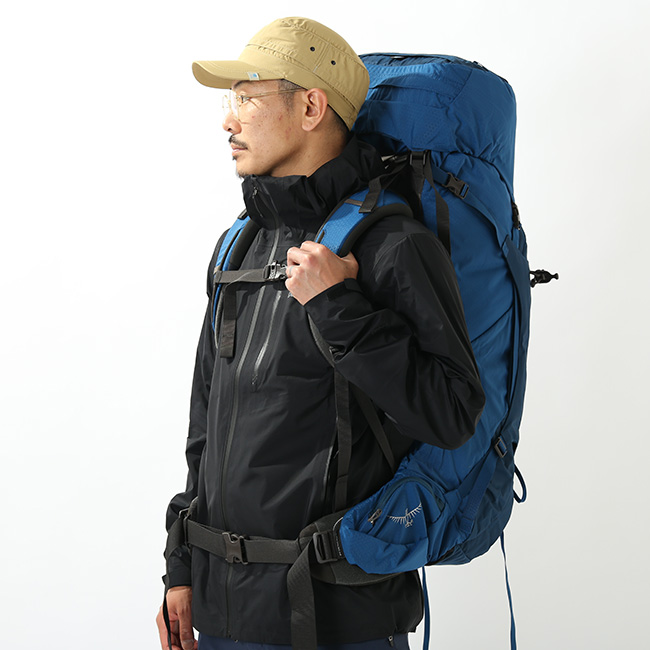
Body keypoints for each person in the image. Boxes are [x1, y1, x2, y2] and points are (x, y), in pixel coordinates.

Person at [156, 16, 485, 650]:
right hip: (221, 617)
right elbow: (207, 423)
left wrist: (339, 306)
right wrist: (181, 567)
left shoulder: (392, 244)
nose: (229, 121)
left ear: (311, 107)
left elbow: (451, 413)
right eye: (230, 102)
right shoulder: (238, 245)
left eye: (247, 98)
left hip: (336, 621)